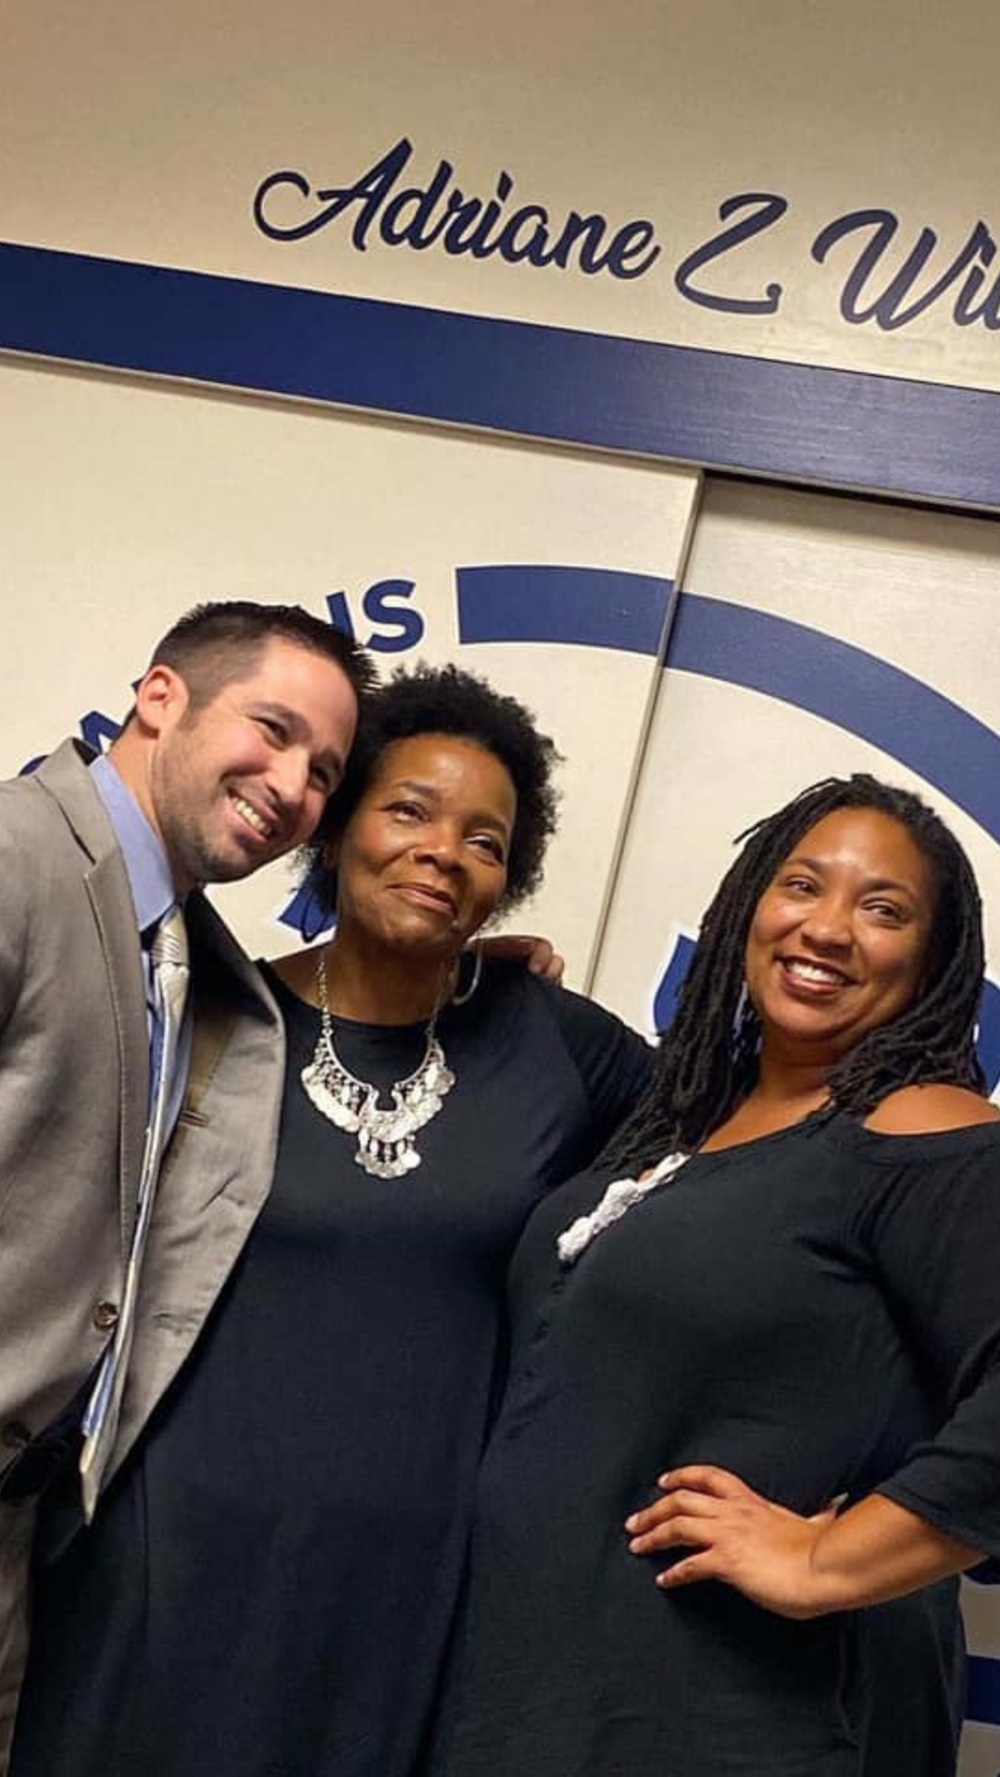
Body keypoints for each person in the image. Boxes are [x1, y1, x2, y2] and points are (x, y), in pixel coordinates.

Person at [9, 663, 652, 1777]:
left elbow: (746, 1171)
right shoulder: (209, 1007)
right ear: (338, 825)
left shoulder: (557, 1045)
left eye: (484, 840)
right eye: (408, 809)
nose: (442, 851)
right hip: (161, 1556)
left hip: (408, 1580)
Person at [427, 773, 1000, 1777]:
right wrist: (466, 973)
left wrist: (824, 1559)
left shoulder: (919, 1126)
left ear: (932, 960)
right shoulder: (682, 1111)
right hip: (540, 1700)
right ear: (746, 905)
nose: (826, 928)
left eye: (883, 909)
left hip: (730, 1722)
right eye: (802, 885)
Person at [0, 599, 371, 1769]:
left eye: (323, 771)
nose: (292, 784)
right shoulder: (18, 860)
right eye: (270, 728)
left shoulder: (184, 952)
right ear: (161, 698)